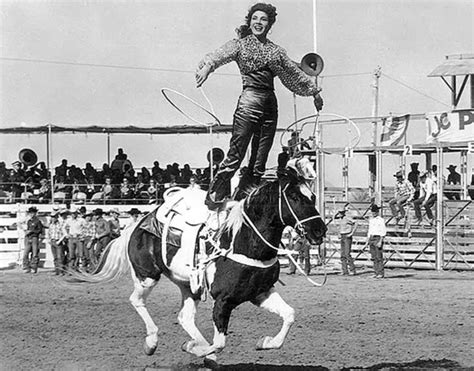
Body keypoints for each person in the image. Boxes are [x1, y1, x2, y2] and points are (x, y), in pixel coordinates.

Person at [196, 2, 323, 209]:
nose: (258, 22)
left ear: (270, 23)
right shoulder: (240, 45)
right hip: (249, 101)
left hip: (270, 105)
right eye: (255, 18)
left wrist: (314, 93)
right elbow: (218, 56)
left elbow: (293, 73)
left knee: (259, 161)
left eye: (263, 19)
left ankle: (244, 200)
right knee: (236, 154)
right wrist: (208, 68)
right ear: (250, 21)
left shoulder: (276, 51)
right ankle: (214, 198)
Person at [335, 204, 357, 275]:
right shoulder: (340, 219)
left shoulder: (347, 218)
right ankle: (344, 270)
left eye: (341, 212)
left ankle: (352, 270)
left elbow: (356, 223)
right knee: (342, 254)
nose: (339, 214)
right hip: (342, 236)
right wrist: (339, 233)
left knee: (347, 254)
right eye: (339, 212)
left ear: (344, 213)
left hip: (347, 236)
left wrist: (352, 233)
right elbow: (334, 217)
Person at [366, 204, 386, 279]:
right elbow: (369, 231)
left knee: (379, 257)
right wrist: (367, 240)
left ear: (377, 212)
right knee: (374, 257)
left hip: (378, 237)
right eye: (372, 212)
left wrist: (381, 240)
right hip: (371, 238)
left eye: (374, 211)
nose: (373, 213)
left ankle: (380, 272)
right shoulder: (371, 220)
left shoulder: (381, 220)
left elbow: (383, 231)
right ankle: (376, 272)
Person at [23, 206, 44, 273]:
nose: (31, 214)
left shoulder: (38, 221)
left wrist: (32, 231)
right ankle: (26, 267)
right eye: (30, 213)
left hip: (35, 237)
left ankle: (33, 267)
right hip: (28, 237)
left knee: (34, 253)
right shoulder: (29, 221)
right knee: (26, 253)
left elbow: (40, 230)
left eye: (33, 213)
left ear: (35, 213)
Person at [47, 210, 66, 275]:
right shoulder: (51, 225)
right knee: (55, 257)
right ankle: (57, 270)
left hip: (58, 241)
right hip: (53, 241)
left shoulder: (60, 225)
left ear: (56, 217)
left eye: (54, 217)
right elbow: (49, 233)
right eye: (52, 217)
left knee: (59, 256)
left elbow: (64, 234)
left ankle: (61, 271)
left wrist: (59, 241)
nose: (53, 218)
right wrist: (49, 239)